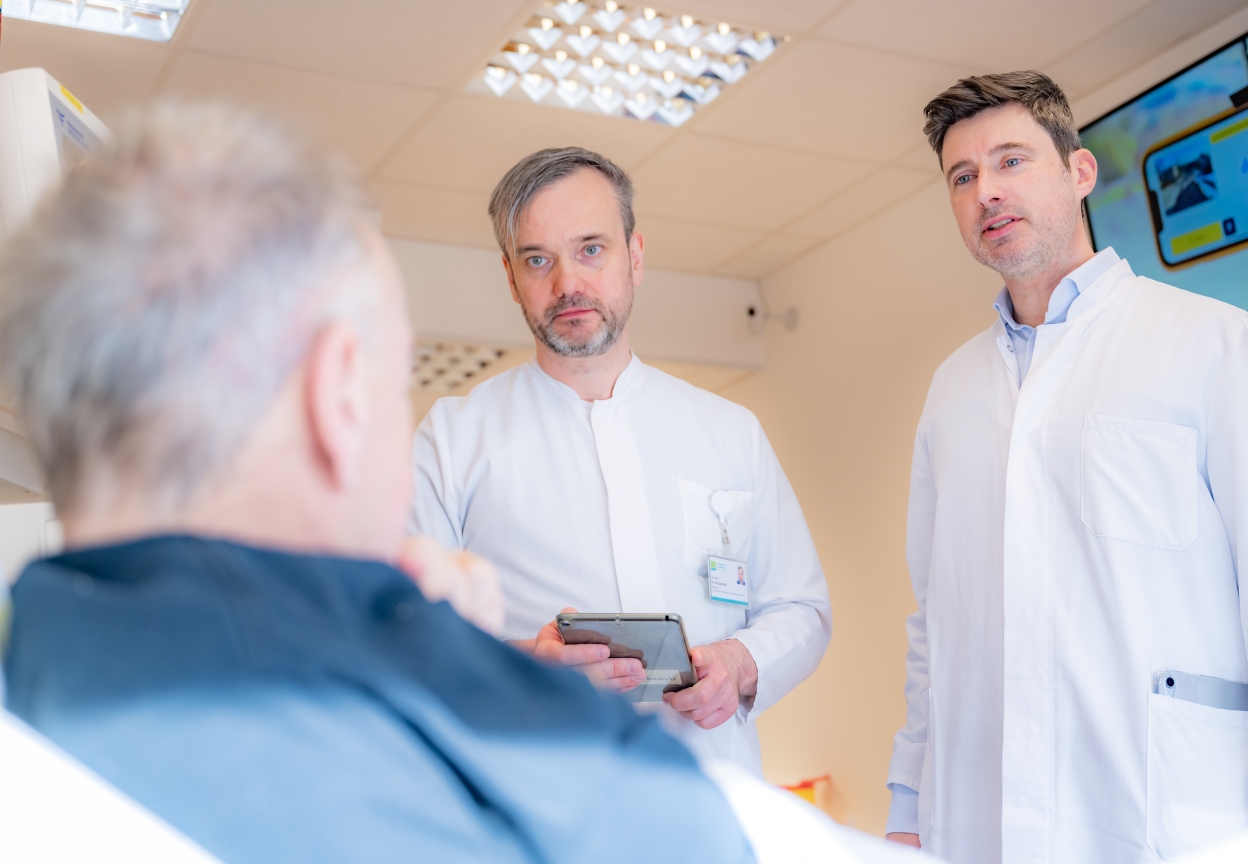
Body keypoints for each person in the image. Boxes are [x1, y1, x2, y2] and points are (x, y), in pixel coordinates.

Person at [0, 106, 755, 864]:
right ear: (338, 397)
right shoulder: (416, 780)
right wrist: (463, 673)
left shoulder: (33, 692)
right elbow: (692, 839)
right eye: (394, 380)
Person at [883, 73, 1248, 862]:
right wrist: (909, 807)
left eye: (1011, 161)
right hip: (980, 823)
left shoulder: (1208, 341)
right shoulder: (952, 390)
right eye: (961, 177)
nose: (986, 191)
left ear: (1079, 172)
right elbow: (935, 626)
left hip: (1167, 817)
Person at [409, 147, 831, 774]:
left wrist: (741, 662)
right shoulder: (452, 439)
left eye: (590, 249)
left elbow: (801, 609)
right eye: (537, 259)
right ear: (511, 278)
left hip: (708, 796)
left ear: (634, 256)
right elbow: (405, 636)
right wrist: (526, 666)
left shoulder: (729, 432)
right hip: (543, 799)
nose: (567, 284)